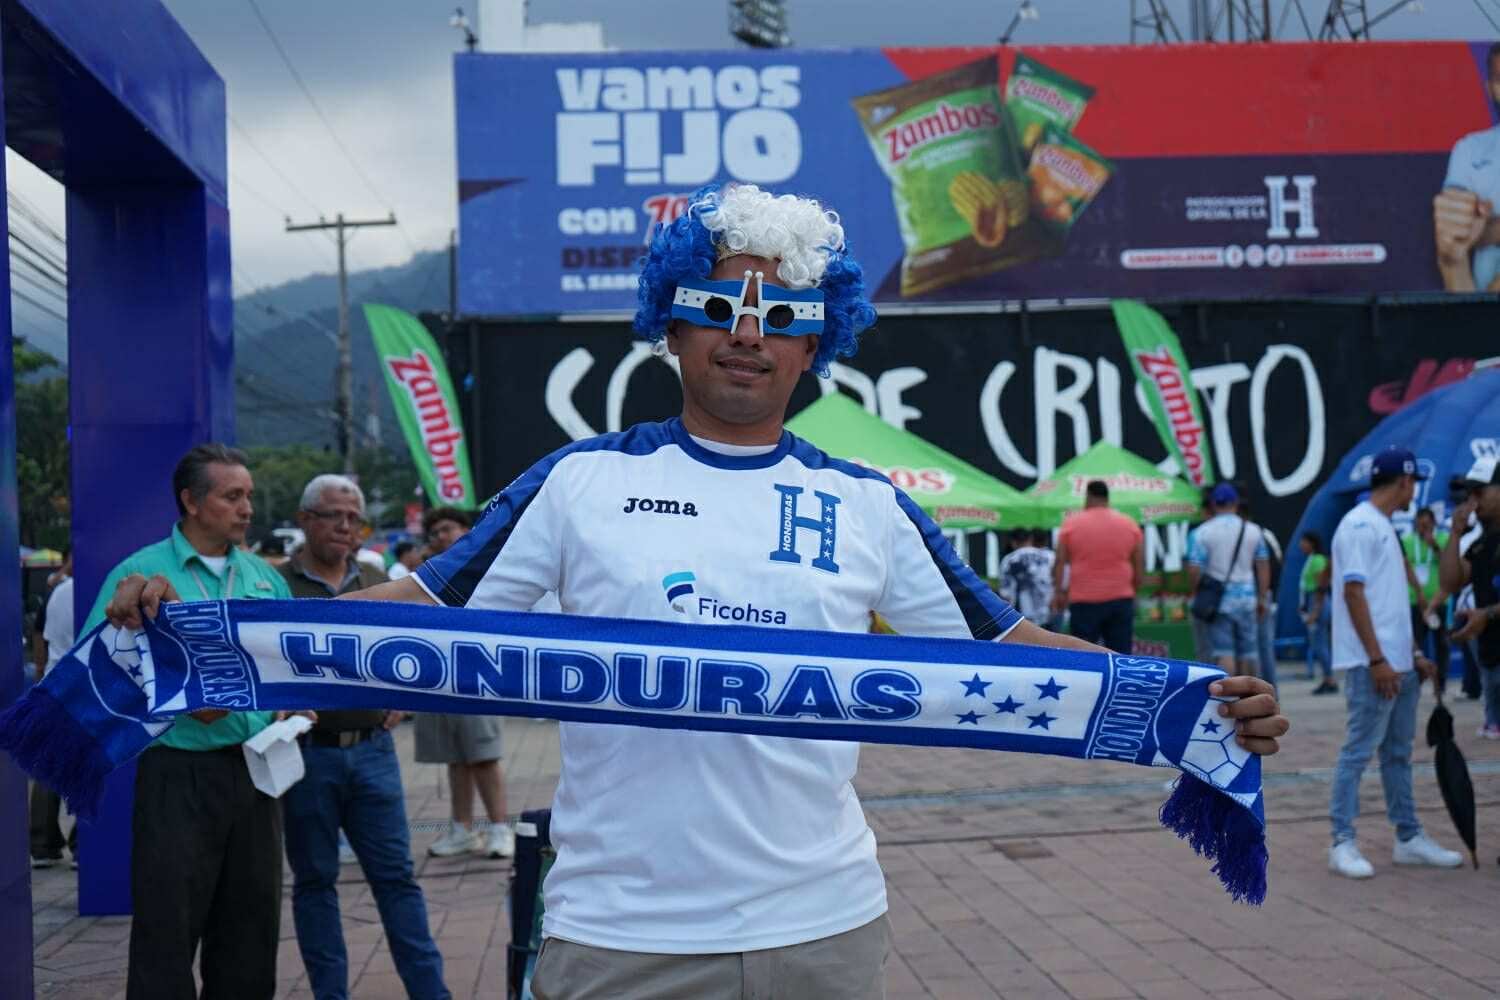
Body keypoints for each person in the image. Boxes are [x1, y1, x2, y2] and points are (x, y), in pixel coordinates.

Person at [109, 184, 1288, 999]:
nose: (748, 335)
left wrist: (1186, 700)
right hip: (619, 939)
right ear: (670, 322)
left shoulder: (873, 503)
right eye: (720, 308)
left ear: (817, 346)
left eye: (782, 318)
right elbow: (412, 613)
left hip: (824, 932)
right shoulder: (578, 482)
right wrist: (204, 635)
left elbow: (1016, 649)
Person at [90, 443, 292, 999]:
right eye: (232, 496)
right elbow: (105, 667)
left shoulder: (263, 578)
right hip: (176, 773)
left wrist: (293, 705)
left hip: (256, 772)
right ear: (191, 501)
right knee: (167, 929)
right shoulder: (139, 573)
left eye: (248, 495)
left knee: (251, 929)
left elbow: (283, 667)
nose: (246, 508)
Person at [276, 474, 450, 1000]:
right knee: (314, 884)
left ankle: (431, 993)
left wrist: (407, 693)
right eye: (333, 515)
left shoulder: (376, 576)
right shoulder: (275, 586)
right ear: (305, 519)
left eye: (355, 518)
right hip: (306, 755)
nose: (346, 527)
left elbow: (416, 646)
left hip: (374, 751)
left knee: (397, 879)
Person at [1327, 446, 1463, 879]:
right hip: (1375, 665)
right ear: (1403, 482)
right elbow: (1353, 594)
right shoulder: (1358, 526)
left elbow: (1388, 603)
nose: (1415, 492)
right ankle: (1341, 842)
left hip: (1397, 662)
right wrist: (1377, 659)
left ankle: (1408, 837)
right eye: (1413, 484)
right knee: (1357, 753)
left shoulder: (1381, 525)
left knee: (1398, 754)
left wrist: (1415, 655)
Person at [414, 505, 513, 859]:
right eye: (435, 532)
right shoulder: (424, 575)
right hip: (436, 676)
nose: (442, 537)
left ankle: (500, 828)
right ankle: (462, 829)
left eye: (449, 529)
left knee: (483, 755)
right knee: (455, 758)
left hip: (476, 672)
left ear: (466, 530)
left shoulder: (488, 566)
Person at [1440, 456, 1500, 739]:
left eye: (1480, 491)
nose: (1473, 500)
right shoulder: (1481, 544)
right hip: (1491, 659)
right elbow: (1451, 581)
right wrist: (1454, 533)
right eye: (1469, 493)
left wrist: (1486, 614)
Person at [1433, 42, 1500, 292]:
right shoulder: (1470, 149)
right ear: (1490, 88)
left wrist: (1489, 230)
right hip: (1486, 315)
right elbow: (1455, 247)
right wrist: (1453, 254)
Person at [1050, 480, 1144, 654]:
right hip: (1120, 598)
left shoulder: (1071, 524)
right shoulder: (1129, 524)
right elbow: (1139, 564)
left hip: (1083, 600)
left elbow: (1060, 563)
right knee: (1120, 655)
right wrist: (1134, 589)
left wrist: (1059, 592)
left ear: (1088, 496)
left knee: (1084, 657)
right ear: (1107, 498)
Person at [1188, 484, 1270, 678]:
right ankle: (1250, 695)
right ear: (1236, 503)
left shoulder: (1202, 533)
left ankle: (1228, 695)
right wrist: (1262, 597)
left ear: (1214, 504)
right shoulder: (1254, 531)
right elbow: (1263, 566)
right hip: (1248, 599)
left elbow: (1193, 569)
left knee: (1223, 652)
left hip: (1218, 603)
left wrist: (1194, 591)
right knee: (1249, 652)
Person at [30, 549, 76, 868]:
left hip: (54, 682)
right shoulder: (98, 589)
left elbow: (39, 635)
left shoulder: (57, 593)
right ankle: (82, 843)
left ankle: (42, 842)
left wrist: (40, 674)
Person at [1403, 507, 1451, 694]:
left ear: (1433, 522)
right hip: (1415, 601)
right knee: (1416, 643)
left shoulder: (1442, 539)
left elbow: (1448, 565)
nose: (1424, 526)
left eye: (1427, 522)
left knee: (1442, 645)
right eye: (1420, 522)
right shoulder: (1407, 541)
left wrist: (1434, 546)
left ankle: (1441, 684)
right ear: (1415, 523)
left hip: (1438, 600)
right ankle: (1415, 681)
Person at [1239, 498, 1283, 689]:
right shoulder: (1265, 533)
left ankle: (1262, 692)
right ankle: (1270, 692)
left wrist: (1262, 596)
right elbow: (1278, 562)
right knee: (1264, 648)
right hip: (1265, 594)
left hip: (1254, 595)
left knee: (1254, 649)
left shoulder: (1249, 535)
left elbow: (1269, 564)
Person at [1298, 532, 1336, 694]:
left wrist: (1315, 611)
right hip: (1313, 601)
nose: (1301, 545)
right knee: (1318, 643)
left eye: (1304, 541)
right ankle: (1327, 677)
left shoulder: (1318, 560)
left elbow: (1321, 587)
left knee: (1320, 643)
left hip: (1318, 603)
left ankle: (1330, 679)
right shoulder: (1312, 559)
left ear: (1311, 543)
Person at [997, 527, 1054, 625]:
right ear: (1030, 539)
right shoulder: (1049, 556)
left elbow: (1005, 593)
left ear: (1013, 542)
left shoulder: (1008, 560)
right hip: (1048, 614)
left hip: (1020, 619)